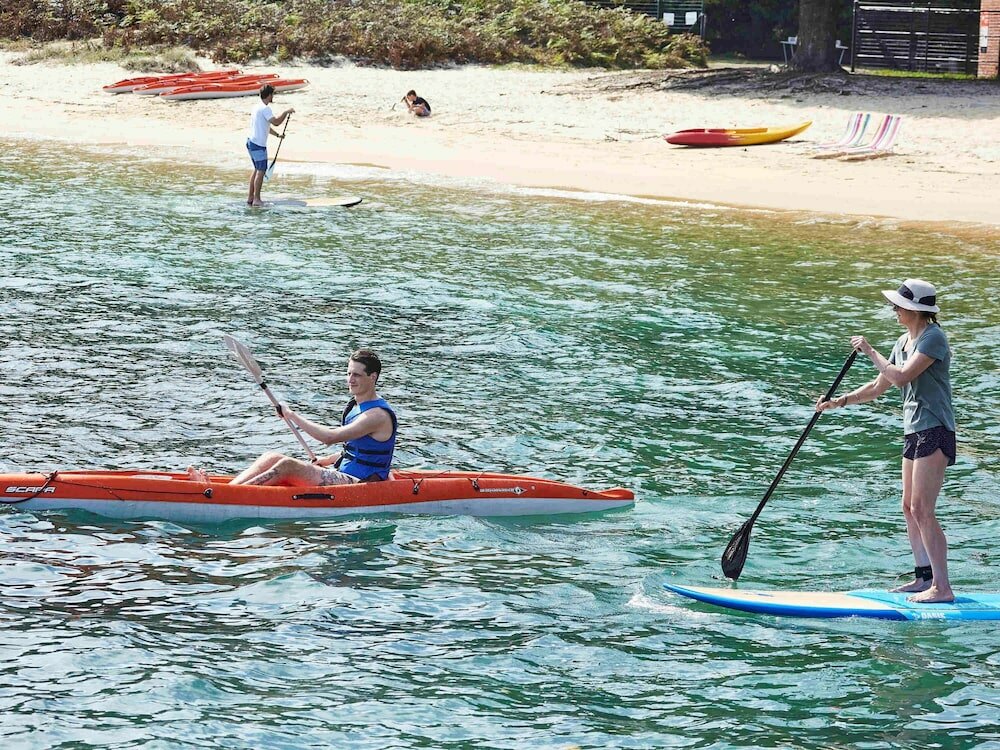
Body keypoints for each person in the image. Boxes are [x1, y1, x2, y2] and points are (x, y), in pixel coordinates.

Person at [816, 279, 956, 603]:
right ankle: (924, 578)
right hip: (914, 430)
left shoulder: (933, 338)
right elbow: (880, 385)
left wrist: (869, 350)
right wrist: (840, 401)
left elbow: (901, 376)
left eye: (898, 306)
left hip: (935, 428)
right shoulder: (903, 341)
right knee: (908, 507)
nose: (894, 309)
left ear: (914, 310)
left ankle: (942, 587)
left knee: (923, 509)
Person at [190, 349, 396, 486]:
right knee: (271, 457)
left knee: (287, 466)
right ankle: (227, 488)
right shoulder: (355, 407)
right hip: (343, 471)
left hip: (360, 483)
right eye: (349, 373)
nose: (350, 380)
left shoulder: (376, 415)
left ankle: (226, 496)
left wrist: (292, 415)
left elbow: (330, 437)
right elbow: (355, 450)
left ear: (373, 377)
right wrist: (325, 460)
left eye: (357, 375)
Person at [246, 84, 294, 207]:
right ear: (268, 95)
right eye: (272, 94)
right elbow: (276, 122)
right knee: (261, 171)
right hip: (258, 145)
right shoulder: (265, 109)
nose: (273, 96)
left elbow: (266, 126)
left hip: (251, 142)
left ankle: (251, 198)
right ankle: (257, 199)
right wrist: (286, 112)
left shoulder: (257, 107)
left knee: (257, 169)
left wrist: (278, 135)